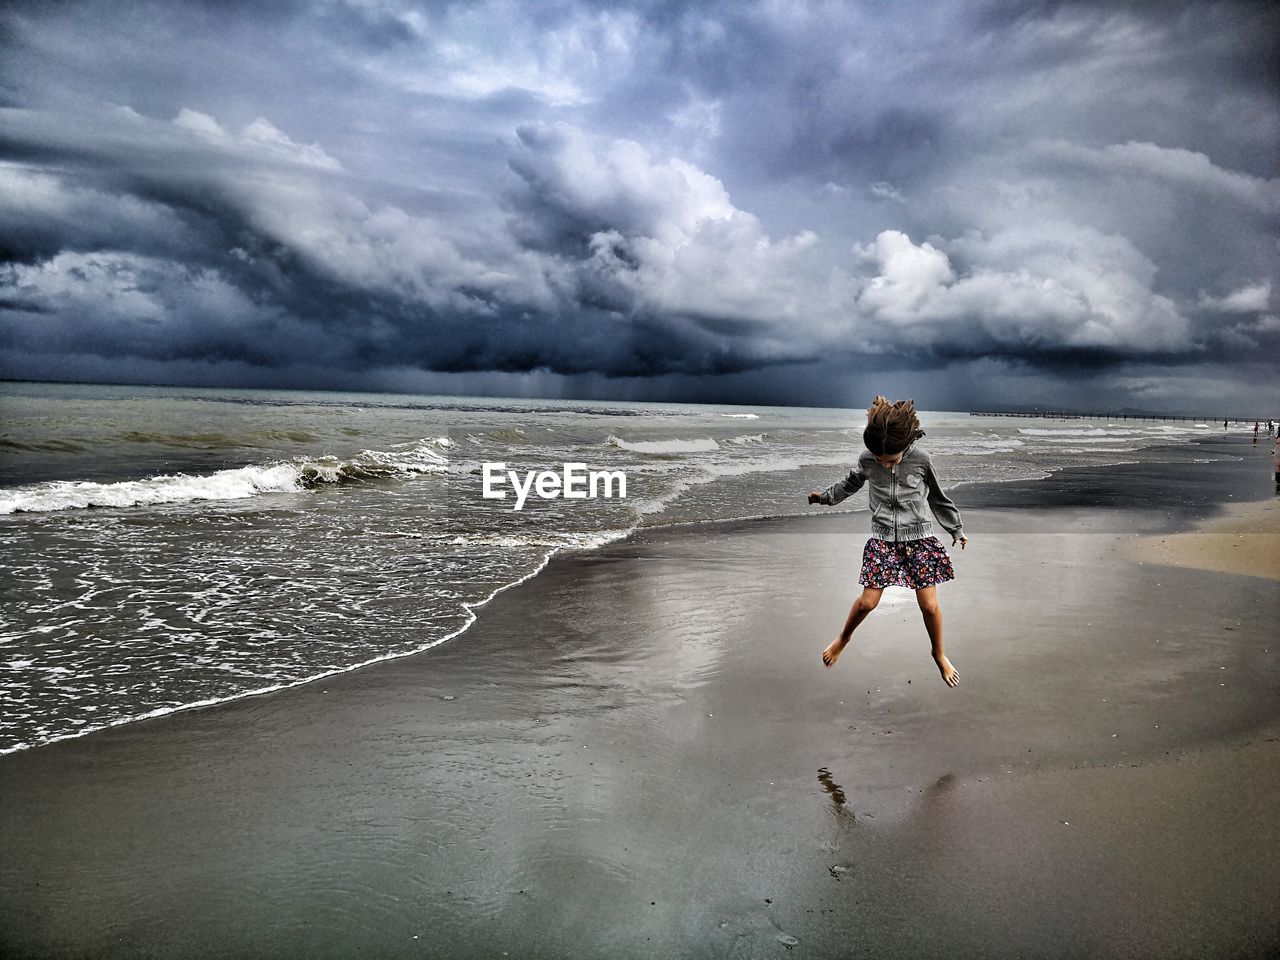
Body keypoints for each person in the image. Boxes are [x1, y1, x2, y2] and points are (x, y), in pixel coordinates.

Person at [807, 396, 967, 687]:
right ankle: (843, 638)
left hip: (919, 539)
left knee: (929, 606)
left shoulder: (921, 460)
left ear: (905, 446)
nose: (884, 464)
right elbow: (851, 483)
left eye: (890, 460)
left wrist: (956, 529)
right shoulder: (869, 459)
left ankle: (939, 653)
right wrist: (826, 498)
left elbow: (937, 497)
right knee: (868, 603)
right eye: (879, 460)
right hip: (882, 540)